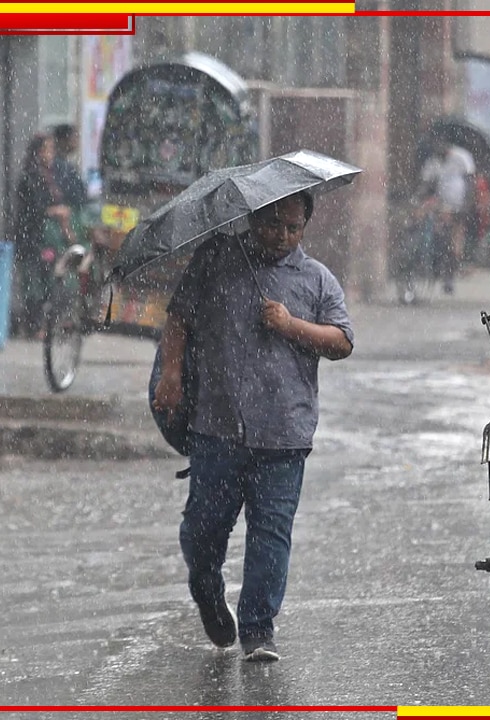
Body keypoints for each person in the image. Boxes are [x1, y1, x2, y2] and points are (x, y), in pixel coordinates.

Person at [152, 192, 354, 662]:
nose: (281, 236)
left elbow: (342, 341)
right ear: (252, 218)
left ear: (305, 227)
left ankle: (258, 629)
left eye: (292, 228)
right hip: (216, 426)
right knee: (203, 530)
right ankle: (207, 591)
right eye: (271, 225)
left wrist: (290, 325)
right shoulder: (216, 259)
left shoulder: (316, 279)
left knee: (271, 533)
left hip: (284, 433)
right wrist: (172, 372)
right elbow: (178, 318)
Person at [10, 132, 75, 337]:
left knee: (51, 279)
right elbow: (33, 208)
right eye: (47, 150)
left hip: (47, 239)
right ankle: (34, 324)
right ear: (38, 153)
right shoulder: (30, 178)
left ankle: (47, 321)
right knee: (34, 283)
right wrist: (55, 211)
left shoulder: (51, 176)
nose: (50, 154)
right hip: (33, 238)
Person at [417, 138, 476, 293]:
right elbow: (427, 183)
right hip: (441, 206)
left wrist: (466, 205)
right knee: (439, 236)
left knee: (454, 243)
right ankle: (435, 263)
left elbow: (470, 182)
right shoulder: (433, 162)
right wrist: (420, 198)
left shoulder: (461, 157)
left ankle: (450, 272)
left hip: (459, 205)